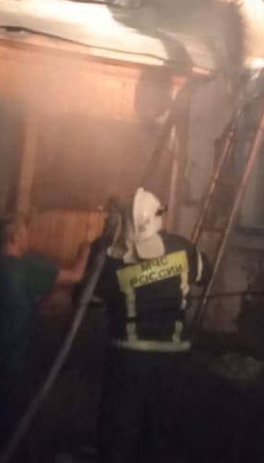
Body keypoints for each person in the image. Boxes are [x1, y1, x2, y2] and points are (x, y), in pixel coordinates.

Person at [93, 188, 208, 462]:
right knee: (160, 432)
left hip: (128, 357)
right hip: (172, 356)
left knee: (119, 431)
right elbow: (205, 274)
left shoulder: (111, 258)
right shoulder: (183, 248)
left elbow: (90, 297)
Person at [0, 214, 88, 459]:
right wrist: (87, 250)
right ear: (13, 237)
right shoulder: (24, 267)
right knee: (12, 433)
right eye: (25, 233)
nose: (28, 237)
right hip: (10, 368)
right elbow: (76, 276)